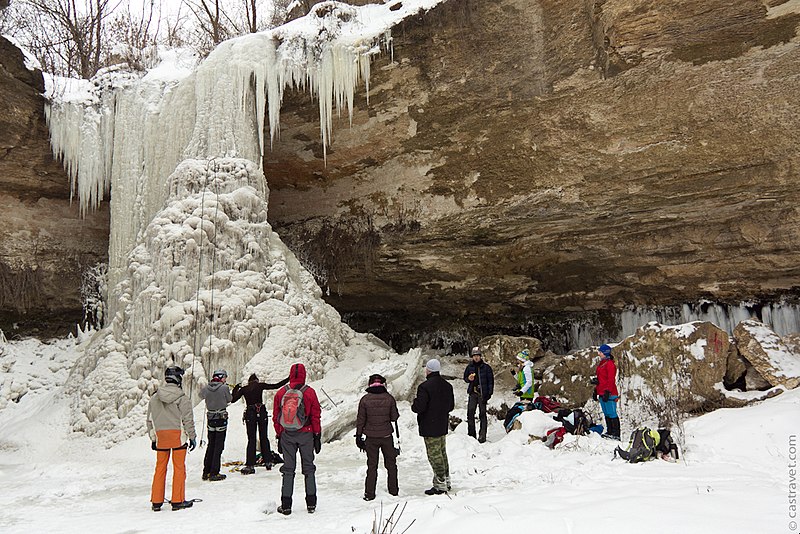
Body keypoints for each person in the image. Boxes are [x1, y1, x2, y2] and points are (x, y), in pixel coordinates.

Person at [273, 363, 322, 515]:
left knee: (288, 469)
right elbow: (315, 415)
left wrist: (279, 434)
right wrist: (317, 435)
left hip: (287, 435)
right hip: (306, 433)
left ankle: (286, 505)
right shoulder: (309, 392)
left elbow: (276, 417)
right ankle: (311, 504)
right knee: (309, 467)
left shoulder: (281, 392)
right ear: (304, 375)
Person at [146, 365, 197, 512]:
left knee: (160, 468)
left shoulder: (154, 398)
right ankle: (177, 500)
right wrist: (192, 437)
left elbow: (150, 421)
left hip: (161, 437)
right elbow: (187, 420)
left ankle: (156, 501)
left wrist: (153, 438)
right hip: (177, 437)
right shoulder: (182, 398)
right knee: (179, 468)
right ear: (178, 379)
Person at [411, 358, 454, 495]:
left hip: (429, 425)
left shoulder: (424, 387)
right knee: (442, 453)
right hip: (441, 424)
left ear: (428, 370)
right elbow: (451, 406)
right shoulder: (447, 386)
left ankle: (440, 484)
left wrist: (414, 403)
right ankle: (446, 480)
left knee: (434, 455)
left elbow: (419, 407)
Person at [232, 372, 289, 474]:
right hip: (261, 412)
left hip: (250, 414)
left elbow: (233, 399)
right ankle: (268, 462)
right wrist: (289, 378)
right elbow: (276, 385)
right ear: (256, 380)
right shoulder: (260, 385)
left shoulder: (244, 389)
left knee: (251, 439)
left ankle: (250, 464)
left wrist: (236, 388)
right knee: (264, 437)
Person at [356, 373, 400, 501]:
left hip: (371, 437)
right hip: (386, 436)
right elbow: (394, 417)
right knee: (391, 464)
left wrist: (358, 436)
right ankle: (393, 490)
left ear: (370, 384)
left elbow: (360, 420)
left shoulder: (364, 400)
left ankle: (369, 494)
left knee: (372, 466)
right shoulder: (389, 398)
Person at [199, 368, 232, 481]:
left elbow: (200, 395)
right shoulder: (224, 388)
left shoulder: (206, 388)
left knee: (211, 444)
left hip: (210, 419)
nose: (225, 380)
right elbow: (229, 399)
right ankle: (214, 472)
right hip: (221, 418)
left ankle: (206, 471)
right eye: (225, 377)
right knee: (219, 446)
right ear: (221, 377)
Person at [463, 346, 494, 443]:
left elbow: (491, 381)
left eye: (477, 356)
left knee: (482, 414)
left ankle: (482, 436)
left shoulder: (486, 367)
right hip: (473, 392)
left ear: (480, 356)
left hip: (482, 393)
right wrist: (469, 379)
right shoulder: (469, 367)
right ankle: (471, 435)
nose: (476, 357)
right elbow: (465, 378)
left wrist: (489, 394)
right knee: (470, 413)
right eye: (474, 356)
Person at [594, 344, 620, 440]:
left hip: (610, 392)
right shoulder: (602, 363)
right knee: (606, 413)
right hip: (601, 392)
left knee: (612, 412)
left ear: (605, 353)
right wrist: (596, 389)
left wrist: (608, 391)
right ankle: (610, 431)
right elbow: (602, 378)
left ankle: (616, 433)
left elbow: (610, 379)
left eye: (600, 352)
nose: (599, 354)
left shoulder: (610, 364)